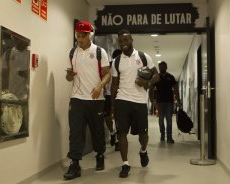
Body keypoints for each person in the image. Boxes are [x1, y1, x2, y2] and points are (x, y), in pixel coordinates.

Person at [64, 20, 110, 180]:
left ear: (89, 35)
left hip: (95, 98)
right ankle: (75, 163)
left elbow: (107, 73)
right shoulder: (72, 52)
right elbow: (69, 76)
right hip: (76, 98)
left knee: (97, 130)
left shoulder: (99, 52)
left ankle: (100, 154)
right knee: (75, 131)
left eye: (82, 36)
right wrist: (69, 75)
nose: (79, 39)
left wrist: (100, 86)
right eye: (77, 36)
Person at [111, 30, 159, 178]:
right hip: (122, 100)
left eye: (126, 40)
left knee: (143, 134)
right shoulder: (116, 61)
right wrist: (113, 106)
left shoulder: (144, 57)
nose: (124, 43)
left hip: (139, 101)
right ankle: (125, 164)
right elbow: (114, 85)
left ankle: (143, 150)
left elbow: (156, 76)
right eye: (121, 41)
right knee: (122, 133)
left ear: (131, 39)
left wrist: (147, 82)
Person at [150, 61, 180, 144]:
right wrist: (152, 101)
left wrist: (178, 99)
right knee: (160, 120)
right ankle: (162, 134)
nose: (161, 68)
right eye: (160, 67)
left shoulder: (171, 77)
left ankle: (169, 137)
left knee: (169, 120)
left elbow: (175, 88)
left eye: (163, 67)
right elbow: (151, 89)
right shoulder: (156, 77)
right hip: (159, 102)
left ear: (166, 67)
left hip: (169, 102)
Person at [104, 49, 122, 151]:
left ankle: (118, 141)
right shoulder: (108, 66)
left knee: (119, 118)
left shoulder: (123, 67)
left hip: (119, 95)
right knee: (107, 117)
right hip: (107, 94)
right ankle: (112, 133)